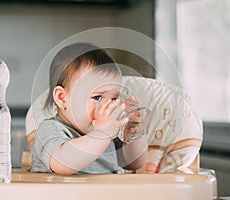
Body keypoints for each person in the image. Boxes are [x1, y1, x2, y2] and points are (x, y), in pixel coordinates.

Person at [31, 42, 148, 175]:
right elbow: (63, 164)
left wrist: (134, 133)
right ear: (62, 98)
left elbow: (133, 163)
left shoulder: (108, 132)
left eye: (114, 98)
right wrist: (102, 134)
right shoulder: (51, 129)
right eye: (97, 98)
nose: (107, 106)